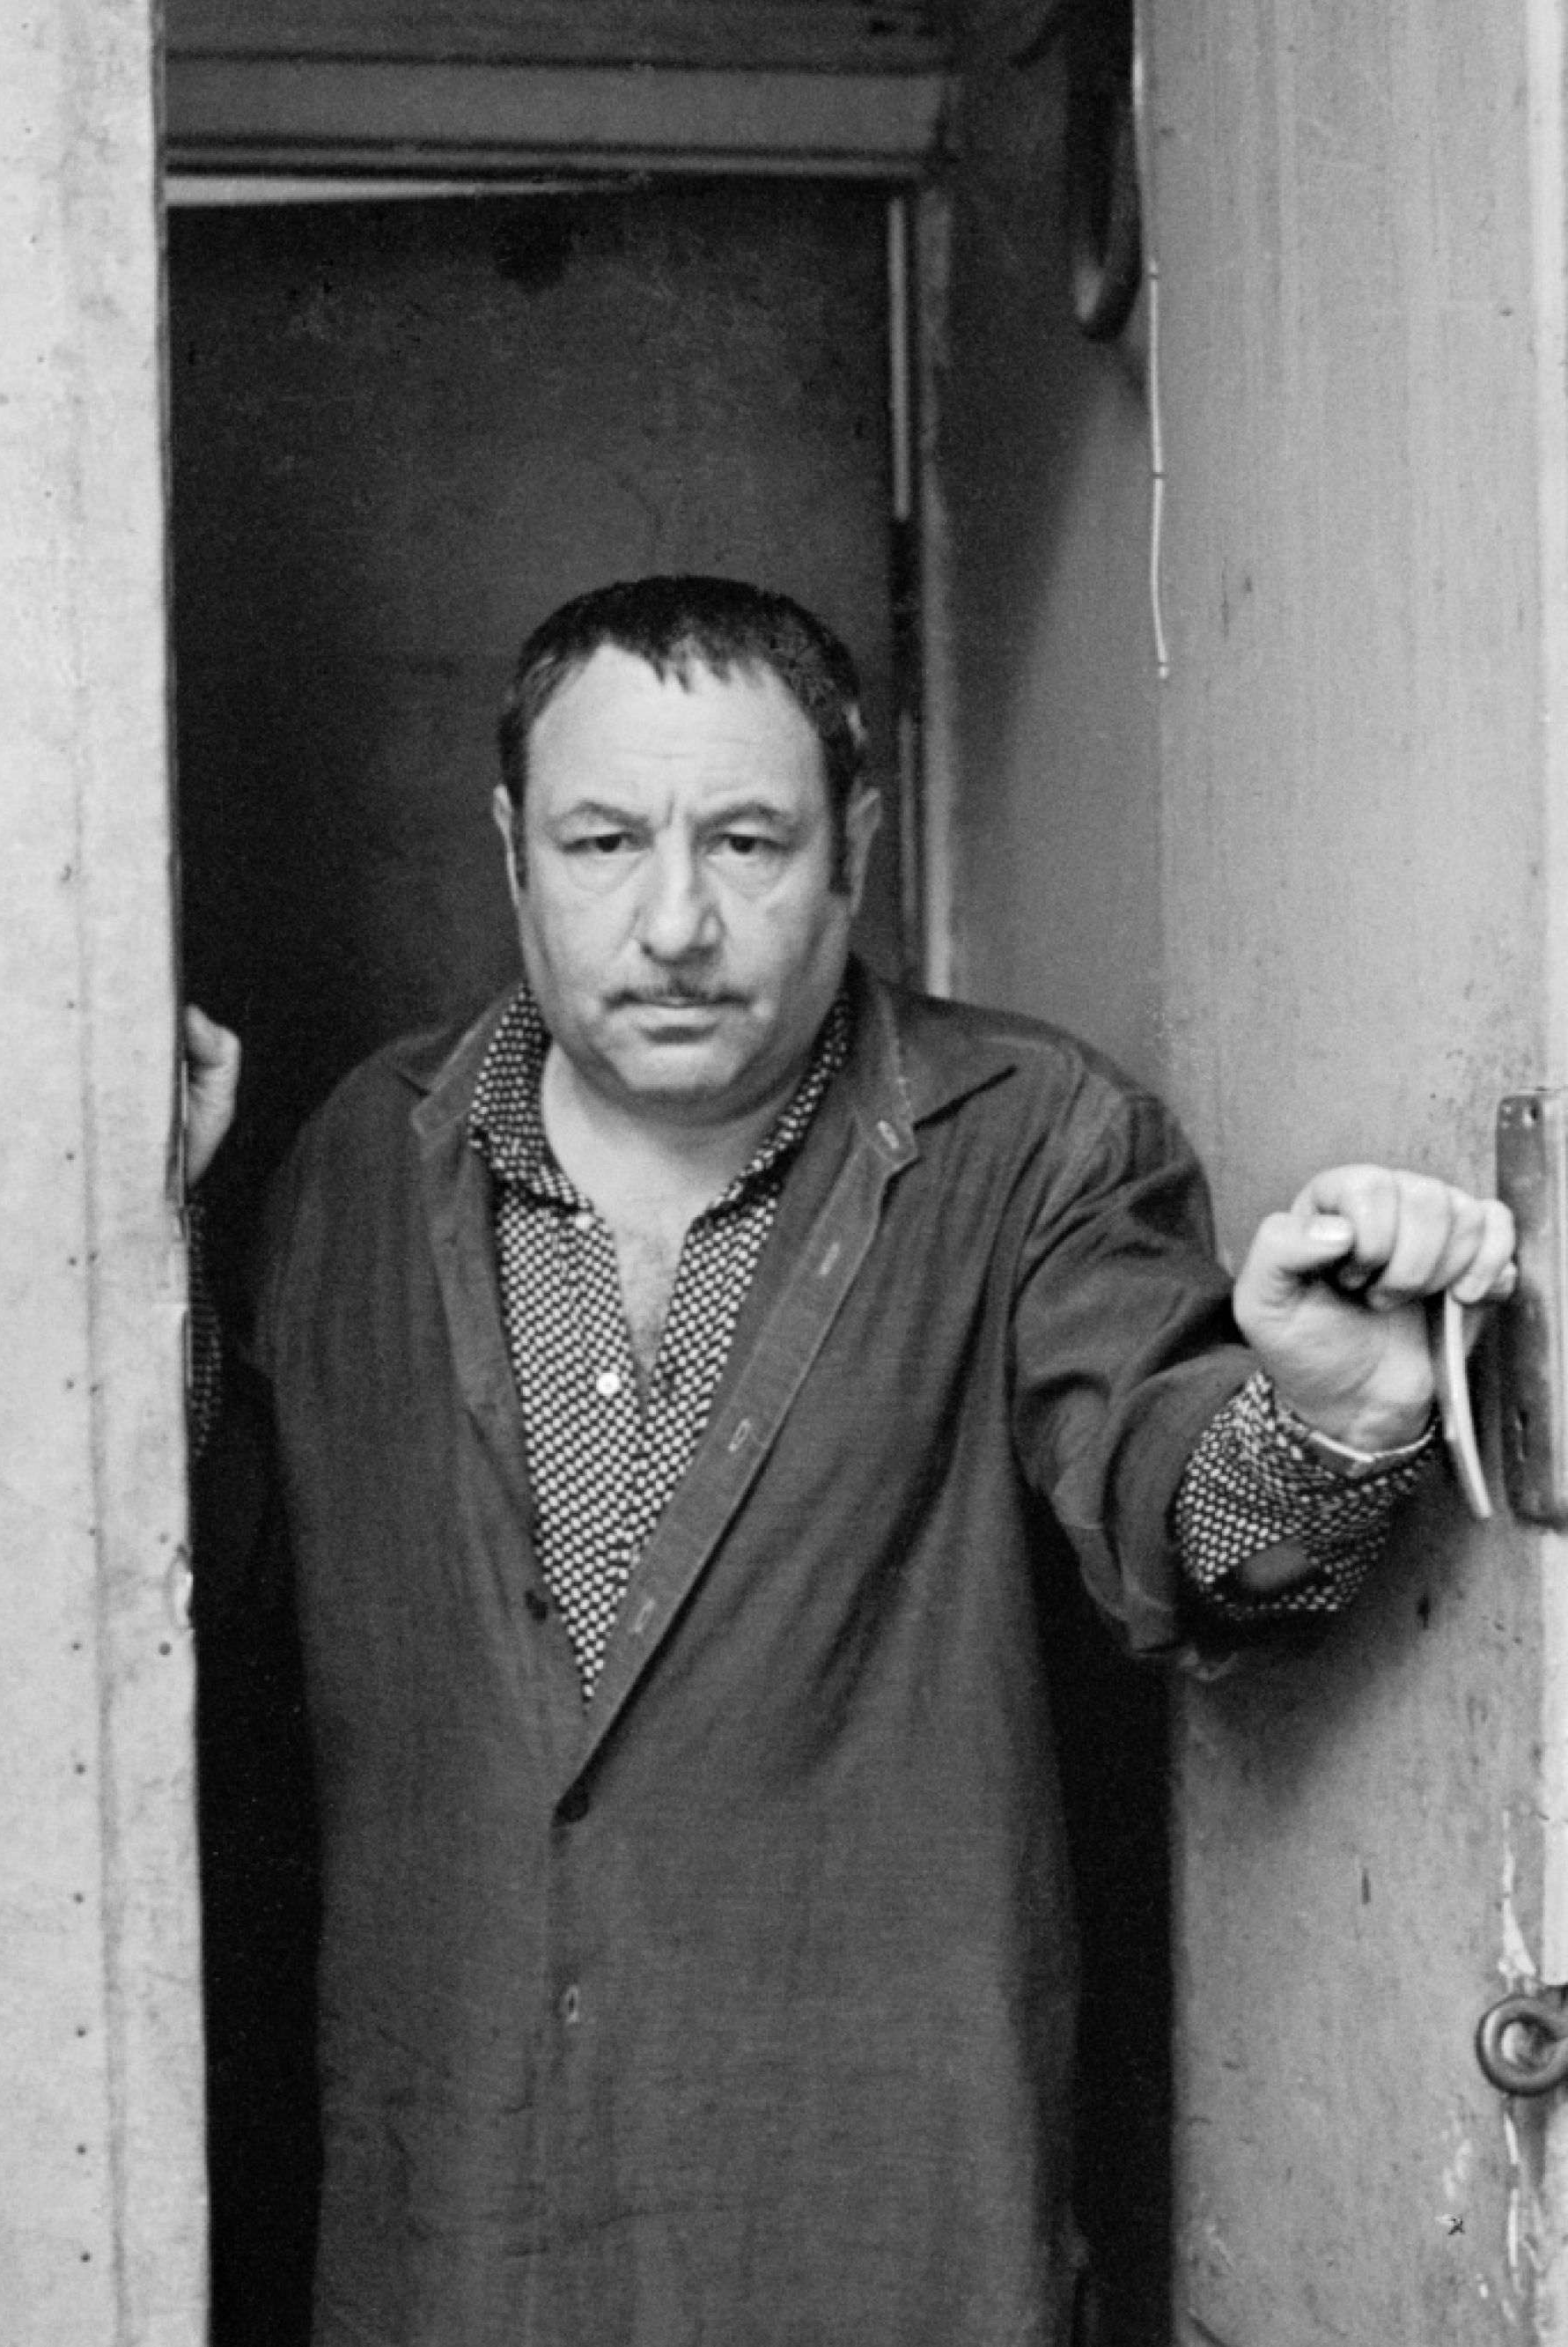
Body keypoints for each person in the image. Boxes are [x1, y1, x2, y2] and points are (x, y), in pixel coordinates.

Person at [186, 576, 1514, 2347]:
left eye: (745, 841)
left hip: (881, 2228)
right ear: (511, 849)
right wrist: (137, 1252)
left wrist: (1328, 1421)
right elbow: (233, 1584)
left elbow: (1161, 1494)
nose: (674, 921)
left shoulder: (1027, 1140)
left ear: (855, 849)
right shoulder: (364, 1153)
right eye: (602, 841)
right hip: (460, 2228)